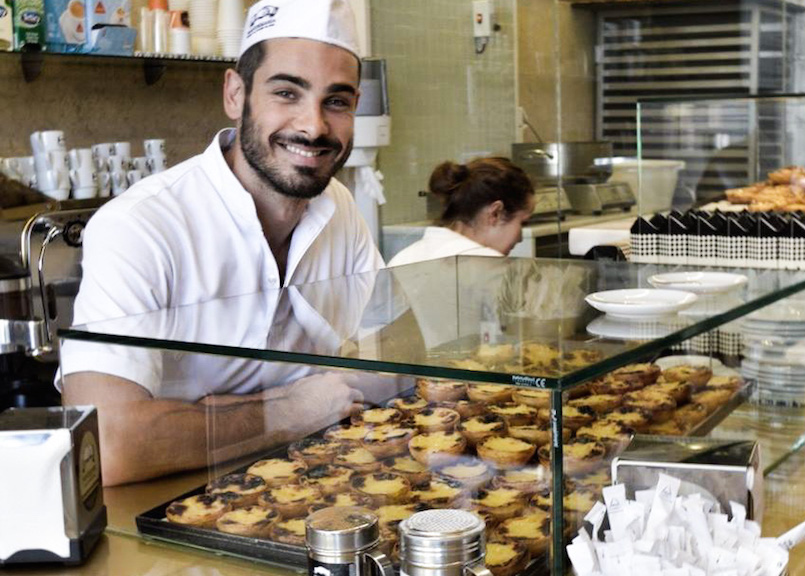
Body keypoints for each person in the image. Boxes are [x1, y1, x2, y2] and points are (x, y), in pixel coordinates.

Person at [60, 0, 386, 485]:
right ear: (235, 94)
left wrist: (210, 415)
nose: (314, 126)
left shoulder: (340, 209)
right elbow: (106, 445)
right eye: (287, 93)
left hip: (316, 491)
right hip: (165, 520)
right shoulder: (141, 226)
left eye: (335, 101)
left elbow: (388, 366)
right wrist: (290, 410)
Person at [388, 157, 535, 267]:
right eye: (522, 222)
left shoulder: (403, 259)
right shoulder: (489, 265)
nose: (520, 238)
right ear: (495, 213)